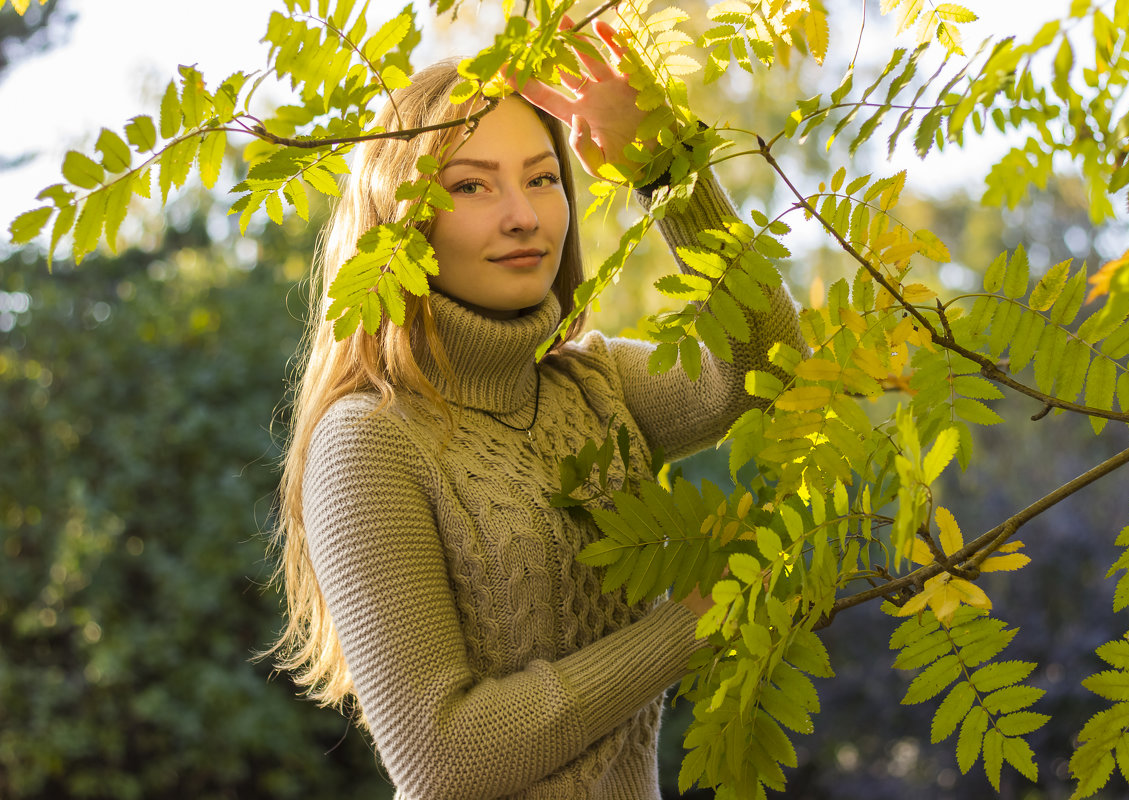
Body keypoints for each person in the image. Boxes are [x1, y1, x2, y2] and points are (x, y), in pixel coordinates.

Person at [268, 19, 803, 800]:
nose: (523, 214)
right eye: (472, 185)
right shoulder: (367, 444)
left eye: (543, 177)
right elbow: (444, 760)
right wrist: (692, 623)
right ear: (401, 223)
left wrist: (666, 163)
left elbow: (764, 365)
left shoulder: (597, 387)